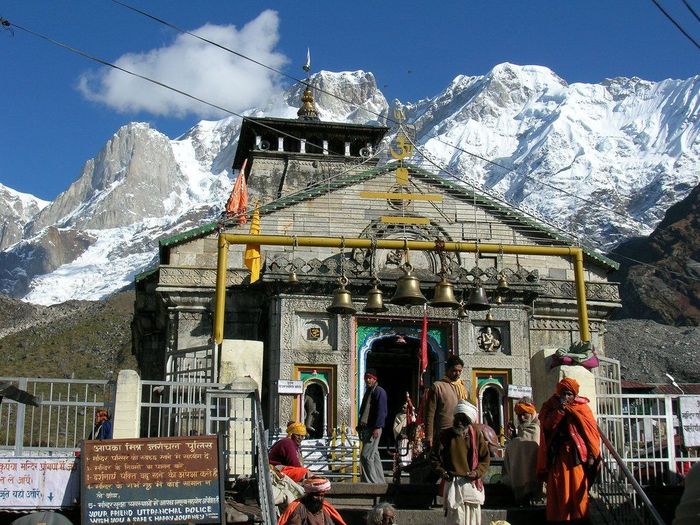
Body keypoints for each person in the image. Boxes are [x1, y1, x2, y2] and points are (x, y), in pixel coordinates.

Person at [537, 377, 601, 524]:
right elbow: (547, 426)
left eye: (569, 394)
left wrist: (592, 454)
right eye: (563, 393)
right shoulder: (551, 406)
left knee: (577, 489)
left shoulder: (582, 408)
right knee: (558, 490)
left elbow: (591, 433)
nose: (565, 397)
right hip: (558, 456)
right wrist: (559, 411)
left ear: (574, 395)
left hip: (577, 457)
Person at [430, 401, 491, 525]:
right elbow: (433, 458)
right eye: (457, 418)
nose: (459, 422)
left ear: (469, 422)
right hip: (453, 483)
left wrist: (477, 472)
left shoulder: (476, 435)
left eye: (463, 420)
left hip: (472, 485)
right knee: (456, 520)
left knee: (472, 520)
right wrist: (442, 472)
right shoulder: (445, 435)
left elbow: (485, 459)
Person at [424, 355, 476, 447]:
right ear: (447, 369)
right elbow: (429, 415)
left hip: (462, 435)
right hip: (443, 436)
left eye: (460, 371)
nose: (457, 374)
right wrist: (429, 437)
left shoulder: (463, 388)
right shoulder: (437, 387)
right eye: (454, 371)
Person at [502, 397, 542, 506]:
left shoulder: (537, 428)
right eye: (519, 415)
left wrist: (514, 443)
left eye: (525, 414)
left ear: (532, 413)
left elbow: (530, 445)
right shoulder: (521, 429)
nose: (522, 418)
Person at [356, 368, 388, 483]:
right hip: (368, 428)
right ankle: (380, 482)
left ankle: (370, 483)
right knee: (374, 456)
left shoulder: (379, 392)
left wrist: (377, 427)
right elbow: (363, 411)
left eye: (370, 378)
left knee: (366, 456)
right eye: (366, 378)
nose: (367, 380)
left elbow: (381, 411)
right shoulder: (369, 392)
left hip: (374, 428)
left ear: (374, 379)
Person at [277, 476, 347, 525]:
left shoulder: (326, 508)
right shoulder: (299, 509)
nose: (319, 498)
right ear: (309, 494)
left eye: (322, 496)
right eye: (316, 495)